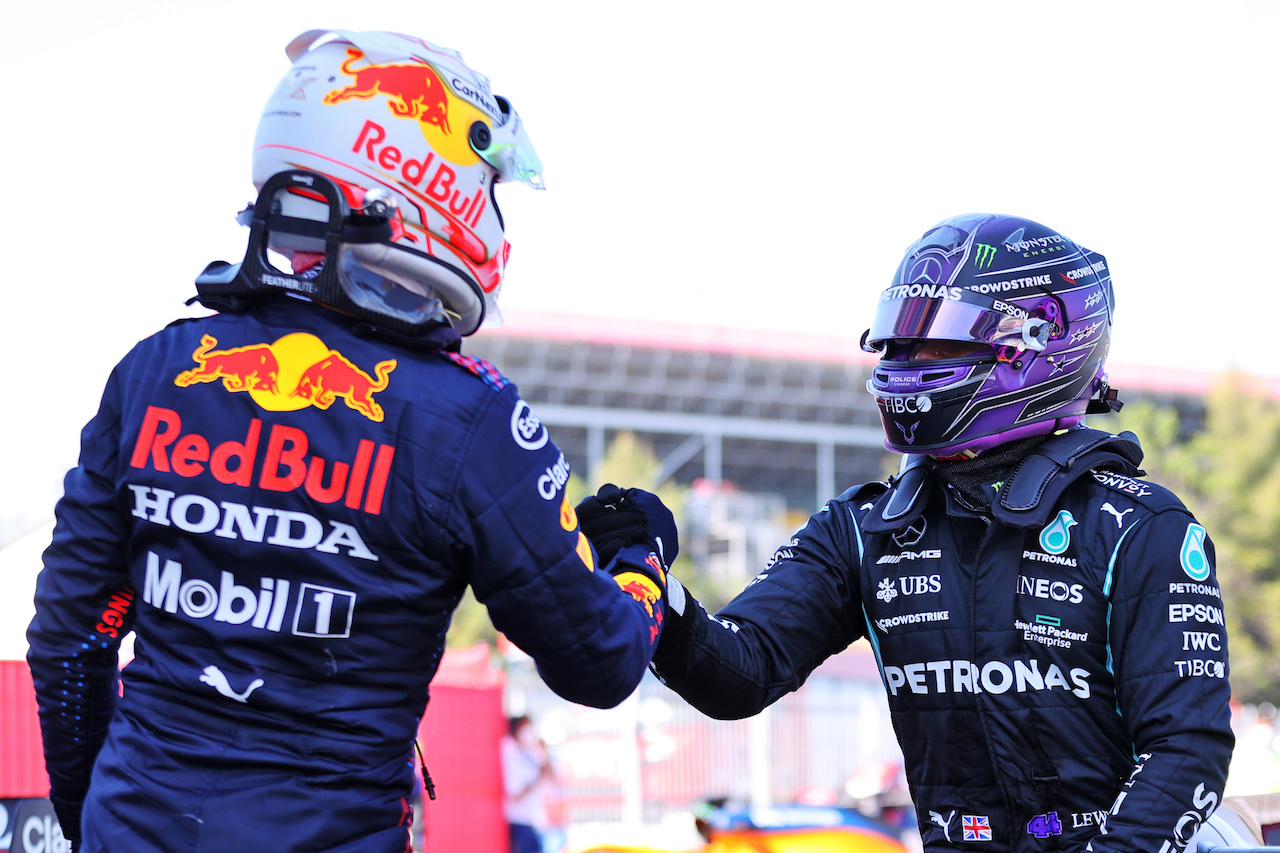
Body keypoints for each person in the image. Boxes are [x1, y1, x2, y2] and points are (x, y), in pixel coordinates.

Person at [25, 29, 672, 853]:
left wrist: (97, 822)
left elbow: (70, 635)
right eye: (483, 181)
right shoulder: (467, 418)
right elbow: (601, 661)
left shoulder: (155, 368)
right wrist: (643, 559)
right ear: (421, 178)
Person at [581, 214, 1235, 852]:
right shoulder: (862, 529)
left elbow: (1187, 750)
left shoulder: (1137, 526)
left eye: (939, 342)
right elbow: (742, 672)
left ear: (1041, 344)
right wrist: (655, 590)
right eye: (896, 342)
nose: (906, 361)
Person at [501, 715, 555, 853]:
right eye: (525, 727)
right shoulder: (508, 750)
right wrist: (536, 780)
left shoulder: (529, 754)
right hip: (518, 822)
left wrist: (544, 750)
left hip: (534, 821)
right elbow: (516, 794)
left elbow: (550, 775)